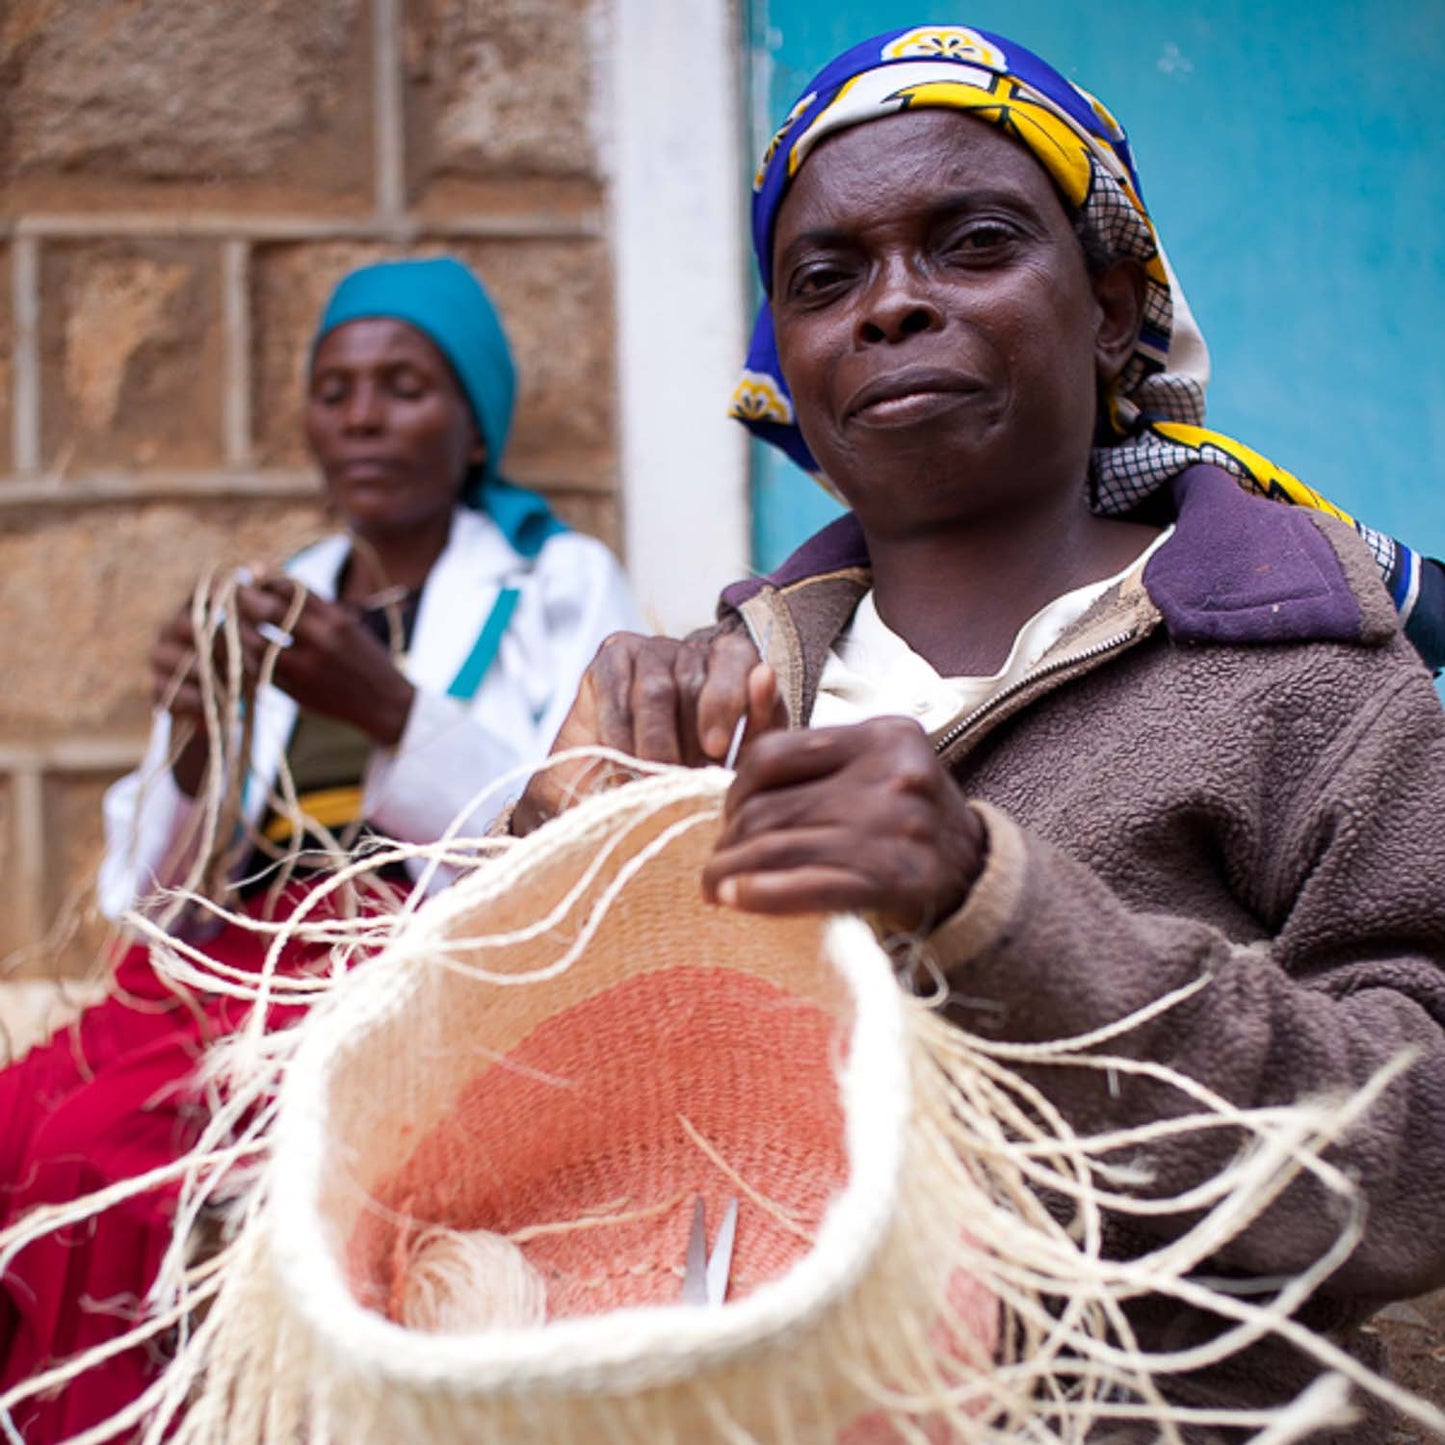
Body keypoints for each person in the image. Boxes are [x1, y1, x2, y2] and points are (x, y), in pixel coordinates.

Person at [516, 26, 1445, 1442]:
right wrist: (557, 837)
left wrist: (994, 906)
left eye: (971, 243)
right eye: (826, 279)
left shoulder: (1305, 676)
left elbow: (1415, 1163)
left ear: (1116, 309)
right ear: (793, 361)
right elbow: (514, 1123)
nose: (891, 306)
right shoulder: (716, 697)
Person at [0, 256, 639, 1441]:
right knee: (15, 1128)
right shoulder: (278, 591)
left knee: (105, 1154)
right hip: (223, 959)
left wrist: (390, 704)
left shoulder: (559, 582)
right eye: (334, 388)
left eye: (403, 385)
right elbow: (138, 902)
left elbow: (586, 845)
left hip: (397, 964)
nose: (360, 416)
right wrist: (194, 742)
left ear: (473, 424)